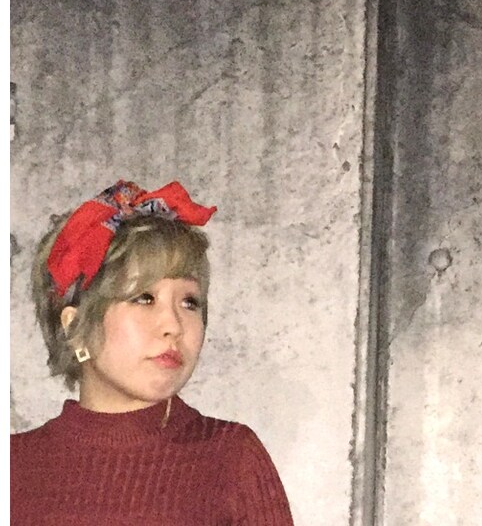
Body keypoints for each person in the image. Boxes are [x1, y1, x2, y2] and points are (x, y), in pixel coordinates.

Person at [11, 179, 294, 526]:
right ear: (74, 327)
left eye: (189, 302)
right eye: (144, 298)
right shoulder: (14, 467)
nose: (173, 325)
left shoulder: (231, 459)